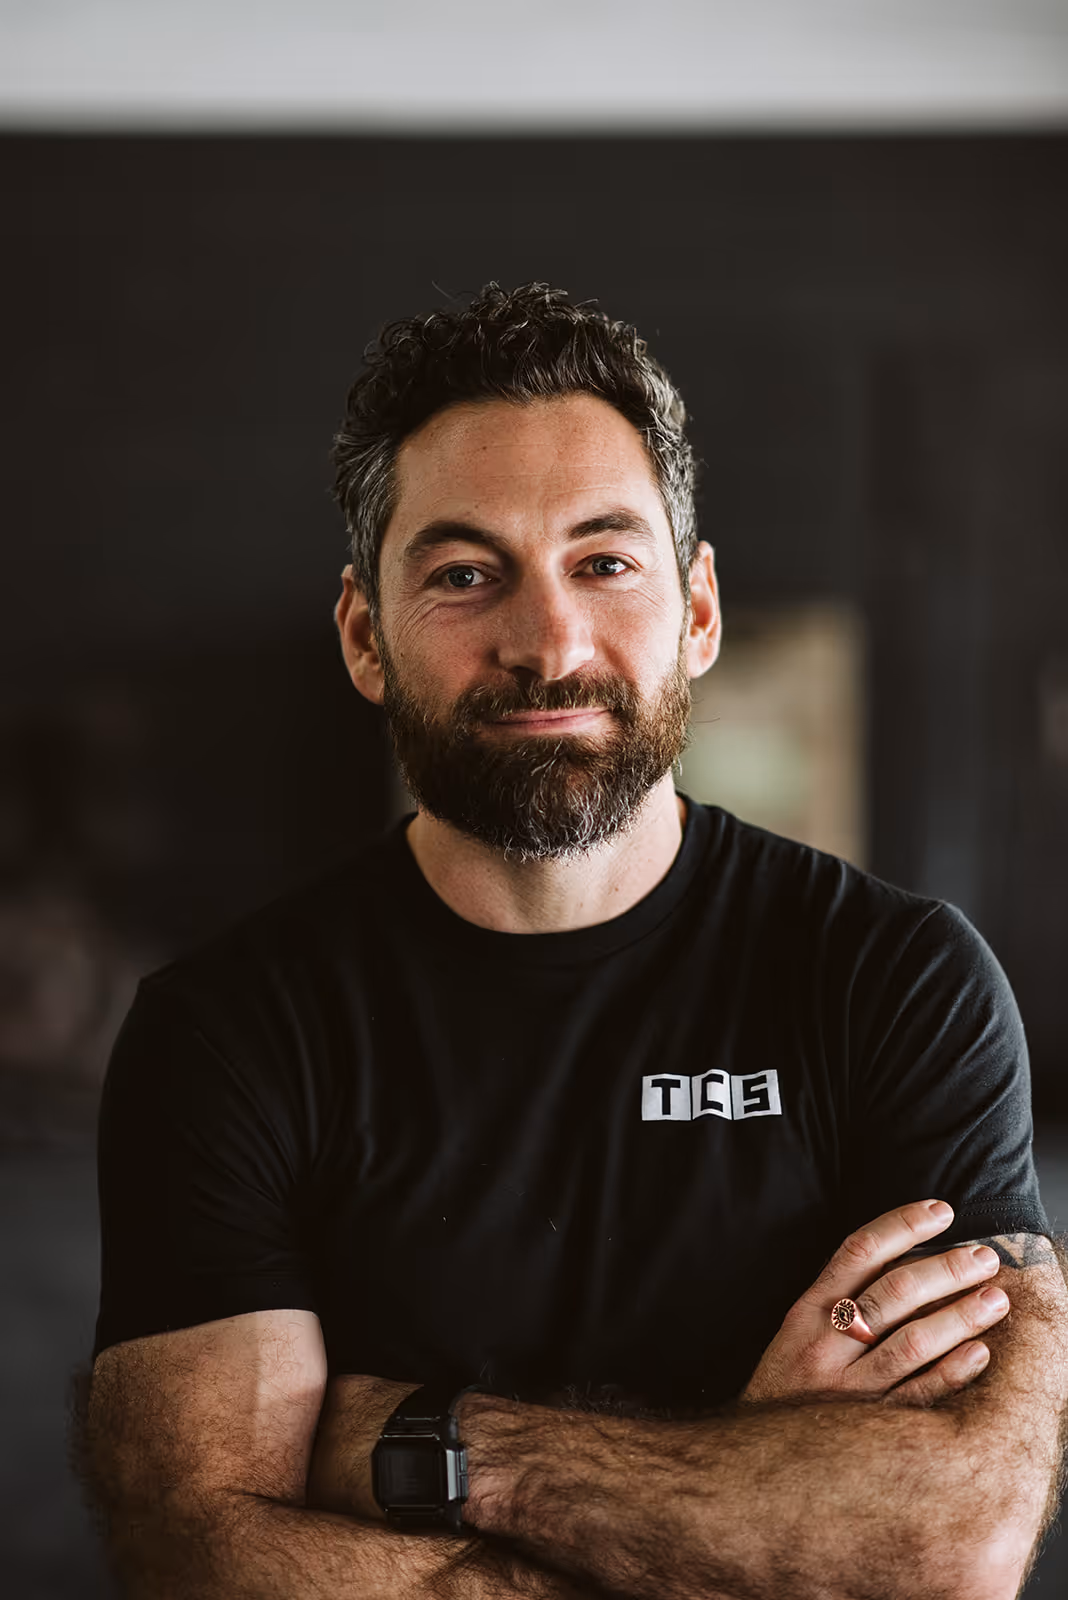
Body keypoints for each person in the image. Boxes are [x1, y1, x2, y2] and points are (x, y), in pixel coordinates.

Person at [85, 283, 1067, 1599]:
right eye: (464, 573)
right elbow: (204, 1556)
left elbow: (955, 1539)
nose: (548, 642)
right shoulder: (229, 1032)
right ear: (365, 638)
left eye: (604, 560)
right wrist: (757, 1495)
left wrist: (436, 1443)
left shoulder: (897, 982)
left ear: (699, 611)